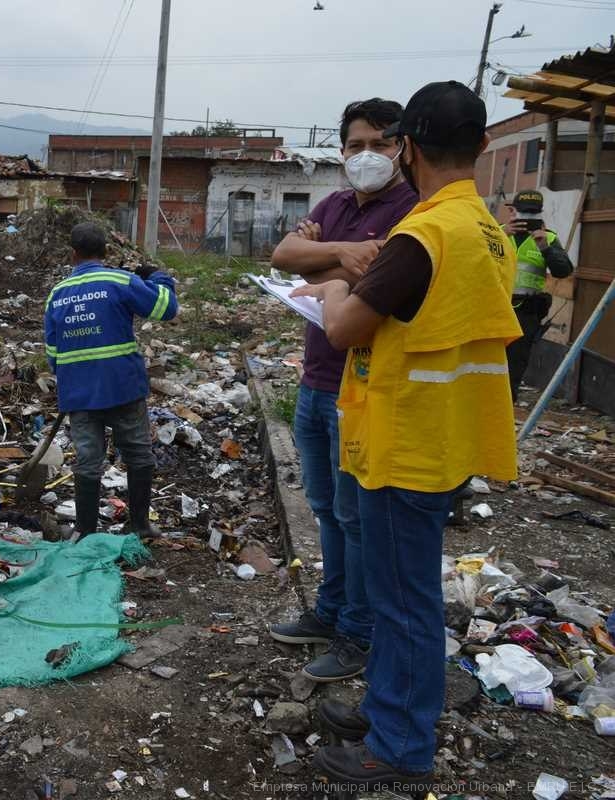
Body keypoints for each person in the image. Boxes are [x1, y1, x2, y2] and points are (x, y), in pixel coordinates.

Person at [291, 81, 521, 789]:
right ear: (483, 144)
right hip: (446, 433)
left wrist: (332, 287)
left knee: (402, 601)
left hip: (404, 442)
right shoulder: (488, 230)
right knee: (403, 594)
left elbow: (342, 327)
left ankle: (399, 747)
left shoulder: (424, 236)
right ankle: (386, 707)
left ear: (409, 147)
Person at [268, 99, 417, 682]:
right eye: (356, 145)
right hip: (315, 381)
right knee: (326, 509)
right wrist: (342, 255)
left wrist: (318, 262)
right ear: (341, 151)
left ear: (403, 148)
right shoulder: (334, 205)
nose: (367, 155)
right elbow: (283, 256)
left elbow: (378, 276)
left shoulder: (412, 209)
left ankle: (359, 632)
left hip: (364, 387)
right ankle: (329, 612)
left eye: (381, 144)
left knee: (358, 519)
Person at [44, 222, 178, 539]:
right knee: (138, 454)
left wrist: (73, 379)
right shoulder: (120, 281)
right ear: (106, 251)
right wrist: (158, 277)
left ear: (73, 254)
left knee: (88, 461)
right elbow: (166, 307)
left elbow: (53, 354)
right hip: (123, 388)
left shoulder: (57, 294)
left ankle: (85, 531)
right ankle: (141, 525)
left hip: (79, 394)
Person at [503, 190, 574, 401]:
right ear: (512, 211)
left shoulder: (548, 239)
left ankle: (506, 406)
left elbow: (563, 271)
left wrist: (545, 248)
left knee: (515, 365)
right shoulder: (497, 233)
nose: (528, 218)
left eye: (533, 214)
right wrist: (502, 234)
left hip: (526, 313)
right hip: (494, 309)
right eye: (524, 213)